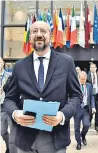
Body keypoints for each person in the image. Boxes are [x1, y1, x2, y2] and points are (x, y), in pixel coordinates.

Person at [4, 21, 82, 153]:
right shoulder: (19, 66)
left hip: (56, 138)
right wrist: (16, 114)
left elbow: (77, 96)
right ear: (30, 37)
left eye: (43, 31)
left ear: (50, 36)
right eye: (34, 31)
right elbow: (9, 99)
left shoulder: (66, 62)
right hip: (25, 139)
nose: (39, 34)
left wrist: (62, 115)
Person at [74, 71, 96, 150]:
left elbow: (92, 97)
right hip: (77, 109)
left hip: (86, 109)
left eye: (85, 79)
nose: (83, 81)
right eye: (82, 79)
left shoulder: (89, 86)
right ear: (78, 78)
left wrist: (93, 106)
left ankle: (83, 136)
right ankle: (78, 142)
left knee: (86, 125)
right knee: (76, 127)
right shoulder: (75, 86)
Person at [87, 63, 98, 132]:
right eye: (91, 67)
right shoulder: (87, 76)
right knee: (90, 112)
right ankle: (89, 122)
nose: (92, 68)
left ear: (96, 68)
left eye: (94, 67)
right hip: (90, 96)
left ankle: (96, 125)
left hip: (97, 95)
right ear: (90, 68)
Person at [0, 57, 11, 153]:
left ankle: (11, 148)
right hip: (0, 107)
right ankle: (9, 146)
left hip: (7, 105)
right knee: (2, 131)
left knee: (5, 131)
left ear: (3, 63)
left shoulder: (9, 75)